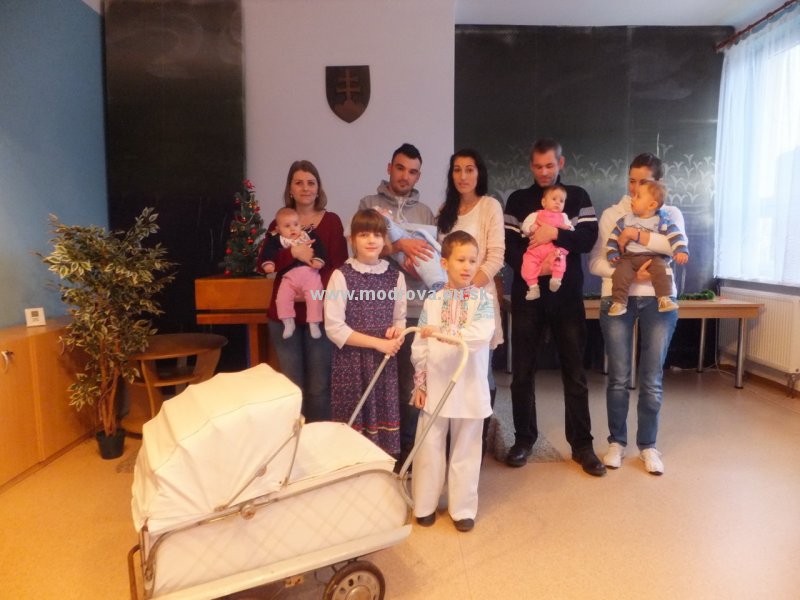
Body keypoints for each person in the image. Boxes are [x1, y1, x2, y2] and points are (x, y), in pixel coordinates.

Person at [504, 138, 605, 476]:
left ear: (561, 163)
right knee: (522, 373)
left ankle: (582, 445)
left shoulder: (577, 196)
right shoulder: (518, 200)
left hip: (567, 297)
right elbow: (508, 246)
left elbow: (587, 239)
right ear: (531, 166)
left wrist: (554, 234)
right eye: (538, 166)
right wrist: (537, 264)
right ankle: (523, 440)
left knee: (575, 372)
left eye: (550, 165)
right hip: (528, 296)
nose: (544, 172)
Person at [589, 152, 685, 475]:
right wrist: (627, 273)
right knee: (618, 377)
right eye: (631, 180)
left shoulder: (671, 213)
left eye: (642, 182)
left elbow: (675, 248)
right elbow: (597, 262)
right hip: (618, 298)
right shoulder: (613, 214)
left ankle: (648, 446)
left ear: (657, 184)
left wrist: (637, 236)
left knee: (652, 378)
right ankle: (616, 442)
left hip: (659, 301)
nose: (634, 188)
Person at [411, 231, 495, 533]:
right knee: (429, 446)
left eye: (473, 260)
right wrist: (420, 384)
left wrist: (443, 333)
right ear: (444, 263)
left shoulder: (483, 300)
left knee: (467, 449)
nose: (467, 266)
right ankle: (424, 505)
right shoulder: (433, 301)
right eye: (461, 260)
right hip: (436, 385)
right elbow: (420, 345)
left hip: (470, 387)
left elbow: (480, 335)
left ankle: (462, 509)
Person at [359, 143, 436, 465]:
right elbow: (360, 252)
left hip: (416, 308)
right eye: (400, 168)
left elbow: (432, 259)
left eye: (413, 171)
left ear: (419, 175)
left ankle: (407, 452)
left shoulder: (426, 213)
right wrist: (399, 245)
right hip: (374, 307)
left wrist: (420, 262)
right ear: (390, 167)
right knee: (375, 382)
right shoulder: (369, 204)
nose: (405, 176)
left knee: (409, 384)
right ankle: (372, 451)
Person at [257, 160, 348, 422]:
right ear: (290, 189)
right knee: (291, 385)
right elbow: (264, 263)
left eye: (311, 183)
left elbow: (338, 267)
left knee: (319, 387)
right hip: (284, 315)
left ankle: (318, 439)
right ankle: (294, 439)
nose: (305, 188)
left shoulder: (331, 222)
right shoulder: (278, 223)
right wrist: (294, 253)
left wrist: (312, 292)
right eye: (299, 183)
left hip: (318, 313)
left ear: (318, 188)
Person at [435, 148, 505, 456]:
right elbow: (440, 258)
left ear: (479, 173)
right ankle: (451, 444)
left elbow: (496, 257)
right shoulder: (444, 210)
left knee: (479, 371)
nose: (463, 176)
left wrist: (466, 289)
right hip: (448, 302)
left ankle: (477, 445)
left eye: (469, 169)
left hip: (478, 299)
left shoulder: (490, 206)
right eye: (457, 170)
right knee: (452, 367)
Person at [324, 209, 406, 456]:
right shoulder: (341, 276)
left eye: (377, 235)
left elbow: (399, 318)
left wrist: (397, 332)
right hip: (351, 362)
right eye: (364, 234)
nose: (371, 240)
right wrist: (377, 343)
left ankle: (381, 470)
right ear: (352, 240)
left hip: (383, 363)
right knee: (353, 423)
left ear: (385, 240)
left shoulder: (395, 277)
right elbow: (334, 327)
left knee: (382, 424)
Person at [605, 180, 689, 316]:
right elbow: (614, 237)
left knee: (663, 269)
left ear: (652, 205)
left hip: (653, 257)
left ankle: (664, 298)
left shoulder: (663, 220)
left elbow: (676, 236)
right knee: (620, 273)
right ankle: (619, 302)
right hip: (629, 257)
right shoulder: (626, 219)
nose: (633, 198)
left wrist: (681, 250)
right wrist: (612, 252)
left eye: (638, 196)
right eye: (634, 195)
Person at [260, 207, 327, 339]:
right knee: (281, 299)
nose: (292, 229)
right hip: (289, 277)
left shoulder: (308, 235)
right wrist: (268, 263)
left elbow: (320, 248)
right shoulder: (276, 239)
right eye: (287, 226)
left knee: (315, 297)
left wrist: (318, 259)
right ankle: (288, 322)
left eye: (296, 224)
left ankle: (314, 323)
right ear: (278, 229)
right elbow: (268, 252)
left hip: (310, 275)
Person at [520, 184, 574, 300]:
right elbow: (525, 227)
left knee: (560, 257)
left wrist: (565, 227)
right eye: (554, 199)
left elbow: (571, 230)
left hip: (554, 248)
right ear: (544, 202)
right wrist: (530, 228)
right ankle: (533, 287)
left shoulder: (563, 216)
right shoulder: (535, 214)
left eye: (561, 201)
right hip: (535, 249)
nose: (558, 202)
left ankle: (556, 278)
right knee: (528, 262)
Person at [373, 206, 446, 290]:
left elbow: (433, 242)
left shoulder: (424, 211)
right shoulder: (368, 203)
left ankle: (437, 281)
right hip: (384, 287)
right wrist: (400, 245)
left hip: (422, 290)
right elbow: (363, 251)